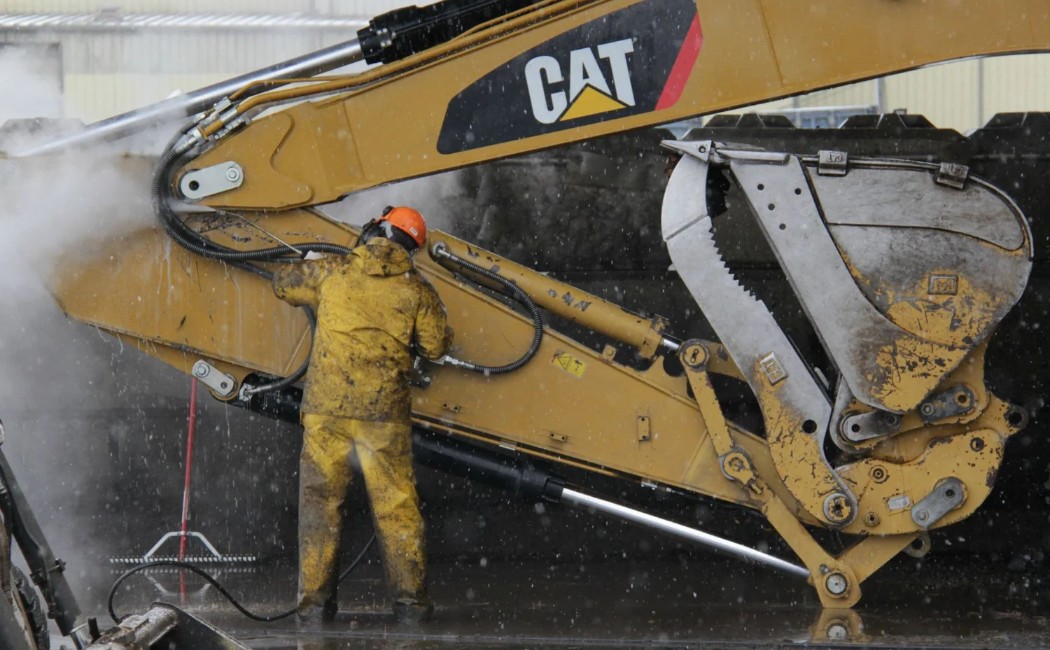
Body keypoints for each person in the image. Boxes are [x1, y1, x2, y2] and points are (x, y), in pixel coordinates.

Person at [272, 206, 453, 627]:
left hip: (326, 410)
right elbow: (436, 345)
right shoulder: (417, 289)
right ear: (412, 247)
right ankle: (411, 609)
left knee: (320, 506)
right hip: (383, 416)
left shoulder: (332, 272)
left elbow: (283, 284)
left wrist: (310, 266)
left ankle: (315, 609)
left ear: (374, 228)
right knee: (397, 510)